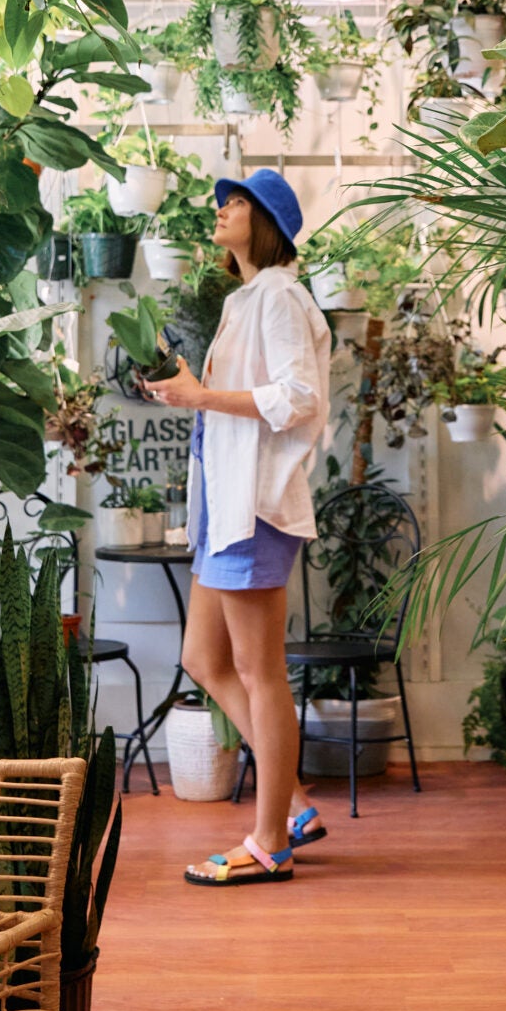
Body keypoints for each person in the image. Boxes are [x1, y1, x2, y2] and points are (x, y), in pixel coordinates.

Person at [141, 169, 331, 885]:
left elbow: (298, 399)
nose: (221, 211)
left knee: (259, 673)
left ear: (267, 221)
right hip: (224, 509)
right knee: (205, 660)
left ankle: (268, 841)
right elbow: (226, 404)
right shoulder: (245, 300)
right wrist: (185, 390)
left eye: (237, 203)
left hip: (252, 506)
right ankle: (296, 806)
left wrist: (203, 393)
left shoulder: (280, 295)